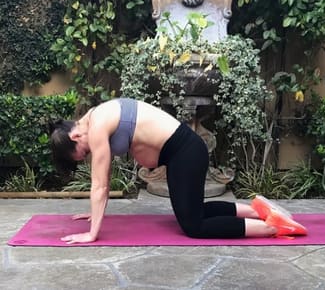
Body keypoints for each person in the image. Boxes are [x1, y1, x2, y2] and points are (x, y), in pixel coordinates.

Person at [50, 97, 307, 244]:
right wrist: (95, 213)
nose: (88, 154)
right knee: (194, 211)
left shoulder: (95, 127)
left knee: (193, 226)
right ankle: (256, 210)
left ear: (75, 134)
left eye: (83, 152)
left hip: (185, 152)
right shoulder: (96, 116)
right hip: (180, 154)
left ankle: (270, 227)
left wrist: (93, 233)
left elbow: (99, 185)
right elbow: (102, 178)